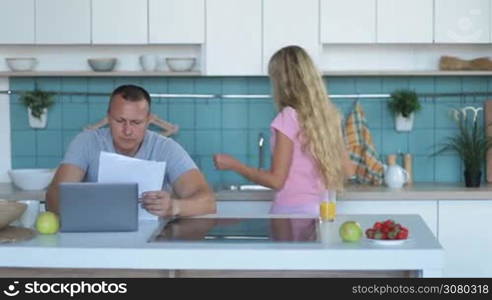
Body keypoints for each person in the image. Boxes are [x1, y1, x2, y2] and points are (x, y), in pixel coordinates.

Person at [213, 45, 355, 216]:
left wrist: (235, 165)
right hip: (322, 212)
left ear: (282, 82)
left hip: (291, 214)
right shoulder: (327, 117)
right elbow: (349, 170)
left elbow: (276, 181)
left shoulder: (289, 117)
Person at [46, 84, 215, 217]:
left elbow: (207, 202)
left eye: (136, 122)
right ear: (108, 117)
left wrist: (174, 206)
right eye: (120, 121)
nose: (127, 131)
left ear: (148, 121)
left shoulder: (165, 147)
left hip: (152, 241)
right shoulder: (87, 142)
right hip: (95, 238)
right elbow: (55, 195)